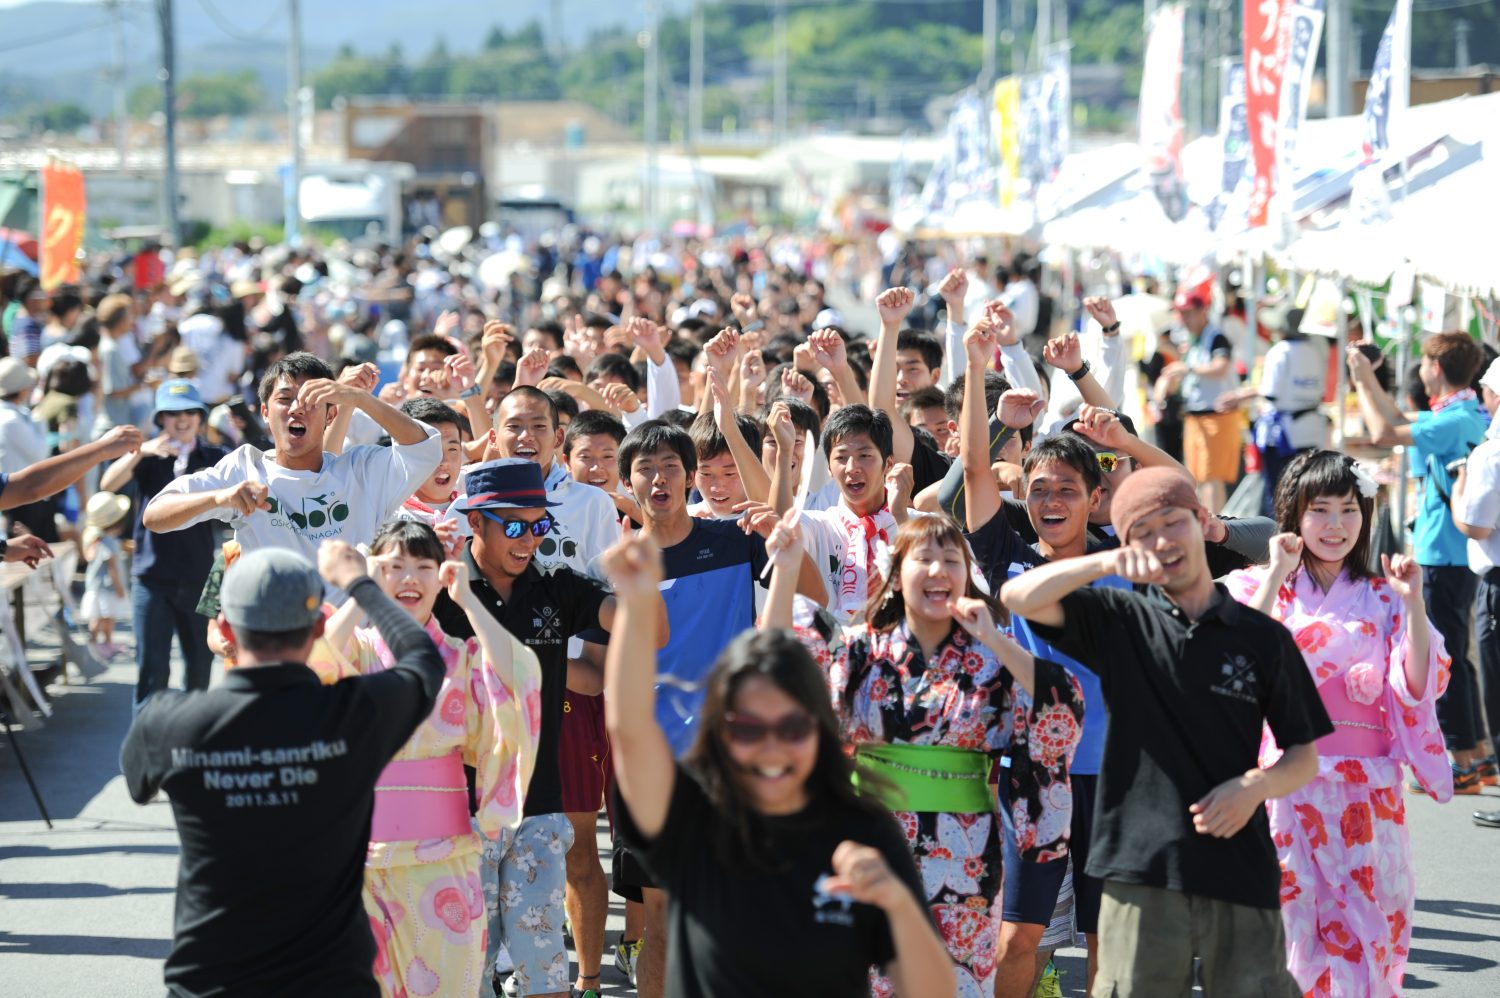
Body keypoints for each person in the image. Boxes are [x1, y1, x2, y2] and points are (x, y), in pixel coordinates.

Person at [1000, 467, 1331, 996]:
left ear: (1201, 520)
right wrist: (1104, 560)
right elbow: (1019, 597)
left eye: (1172, 523)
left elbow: (1303, 756)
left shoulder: (1262, 636)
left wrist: (1256, 787)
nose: (1161, 541)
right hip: (1136, 868)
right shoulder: (1118, 619)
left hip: (1238, 867)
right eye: (1142, 533)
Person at [598, 529, 957, 998]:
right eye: (749, 729)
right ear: (722, 731)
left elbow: (933, 991)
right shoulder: (695, 817)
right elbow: (630, 733)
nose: (772, 747)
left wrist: (898, 905)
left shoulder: (862, 831)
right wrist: (636, 605)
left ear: (821, 729)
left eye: (791, 728)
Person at [766, 515, 1082, 996]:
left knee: (954, 980)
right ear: (896, 574)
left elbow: (1057, 699)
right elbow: (777, 661)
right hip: (870, 840)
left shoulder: (993, 658)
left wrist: (994, 636)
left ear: (965, 576)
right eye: (924, 558)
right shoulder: (860, 651)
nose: (938, 570)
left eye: (951, 560)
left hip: (966, 850)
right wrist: (786, 570)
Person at [119, 542, 448, 997]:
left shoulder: (166, 722)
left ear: (224, 627)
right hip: (331, 983)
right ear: (318, 626)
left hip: (210, 983)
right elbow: (425, 662)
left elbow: (138, 785)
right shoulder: (353, 716)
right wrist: (360, 583)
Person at [433, 458, 666, 998]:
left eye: (539, 524)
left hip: (539, 807)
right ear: (477, 523)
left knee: (545, 975)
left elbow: (650, 631)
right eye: (515, 525)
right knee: (465, 972)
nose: (529, 538)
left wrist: (641, 584)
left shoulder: (559, 589)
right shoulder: (441, 593)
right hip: (457, 811)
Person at [1223, 450, 1452, 995]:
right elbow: (1238, 659)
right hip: (1283, 782)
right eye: (1319, 510)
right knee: (1286, 927)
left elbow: (1418, 685)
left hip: (1365, 790)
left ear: (1365, 516)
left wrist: (1415, 605)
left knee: (1369, 924)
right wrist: (1277, 570)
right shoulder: (1257, 584)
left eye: (1348, 510)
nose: (1335, 526)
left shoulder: (1384, 596)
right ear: (1293, 516)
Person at [313, 520, 543, 998]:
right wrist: (359, 591)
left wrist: (469, 601)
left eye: (423, 566)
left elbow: (520, 676)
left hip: (443, 860)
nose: (409, 579)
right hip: (358, 861)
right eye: (393, 567)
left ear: (443, 575)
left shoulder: (460, 657)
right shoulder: (355, 649)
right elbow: (311, 668)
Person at [1347, 333, 1490, 789]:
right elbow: (1396, 418)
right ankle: (1476, 752)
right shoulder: (1467, 412)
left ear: (1435, 367)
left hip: (1442, 551)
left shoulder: (1454, 419)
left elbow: (1382, 432)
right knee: (1458, 654)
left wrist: (1364, 378)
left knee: (1439, 654)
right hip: (1455, 550)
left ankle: (1462, 756)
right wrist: (1366, 381)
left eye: (1426, 361)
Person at [143, 352, 441, 564]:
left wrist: (360, 398)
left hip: (348, 644)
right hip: (273, 640)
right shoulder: (244, 467)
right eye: (285, 399)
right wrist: (220, 499)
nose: (297, 409)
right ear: (264, 413)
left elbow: (425, 450)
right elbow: (155, 516)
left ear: (331, 414)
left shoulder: (361, 469)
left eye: (312, 400)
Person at [101, 380, 229, 710]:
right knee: (152, 671)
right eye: (172, 414)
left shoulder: (214, 456)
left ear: (201, 418)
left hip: (201, 577)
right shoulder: (148, 457)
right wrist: (140, 451)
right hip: (151, 576)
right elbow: (108, 483)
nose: (181, 419)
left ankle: (193, 747)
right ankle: (146, 756)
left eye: (189, 412)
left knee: (200, 670)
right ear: (160, 419)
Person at [1451, 357, 1500, 822]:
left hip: (1497, 581)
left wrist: (1456, 493)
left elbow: (1477, 527)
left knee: (1497, 688)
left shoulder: (1490, 452)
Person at [1170, 282, 1241, 512]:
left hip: (1216, 416)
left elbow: (1221, 366)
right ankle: (1205, 524)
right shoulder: (1193, 340)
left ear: (1202, 311)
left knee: (1212, 478)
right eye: (1181, 314)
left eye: (1188, 314)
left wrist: (1187, 369)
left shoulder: (1217, 337)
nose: (1184, 319)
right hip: (1196, 416)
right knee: (1196, 477)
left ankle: (1214, 526)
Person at [80, 490, 131, 656]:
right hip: (107, 587)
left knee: (97, 617)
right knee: (107, 618)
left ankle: (96, 643)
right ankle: (103, 643)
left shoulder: (96, 539)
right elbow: (112, 568)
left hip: (95, 586)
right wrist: (120, 588)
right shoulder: (110, 543)